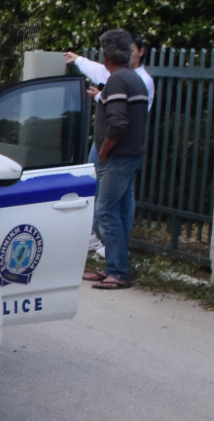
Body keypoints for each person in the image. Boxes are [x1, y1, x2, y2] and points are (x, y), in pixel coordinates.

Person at [65, 32, 156, 257]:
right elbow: (98, 71)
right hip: (119, 146)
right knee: (116, 197)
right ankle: (115, 254)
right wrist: (77, 60)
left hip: (115, 146)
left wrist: (105, 150)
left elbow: (122, 120)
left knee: (107, 203)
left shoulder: (130, 80)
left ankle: (110, 251)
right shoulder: (127, 78)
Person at [84, 28, 148, 290]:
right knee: (119, 212)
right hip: (130, 156)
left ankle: (118, 272)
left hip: (117, 157)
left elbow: (118, 123)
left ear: (106, 54)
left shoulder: (118, 81)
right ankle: (115, 267)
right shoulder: (135, 78)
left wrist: (104, 150)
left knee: (106, 211)